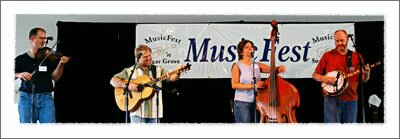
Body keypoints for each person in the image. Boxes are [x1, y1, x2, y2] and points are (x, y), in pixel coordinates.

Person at [110, 44, 182, 123]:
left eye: (150, 56)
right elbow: (113, 81)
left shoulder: (158, 69)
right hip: (137, 113)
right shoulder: (129, 71)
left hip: (155, 113)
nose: (149, 58)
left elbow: (172, 78)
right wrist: (128, 86)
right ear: (138, 58)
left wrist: (178, 73)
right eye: (145, 57)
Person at [313, 29, 370, 123]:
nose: (339, 43)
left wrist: (367, 74)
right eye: (337, 41)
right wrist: (324, 78)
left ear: (347, 39)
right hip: (331, 99)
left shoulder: (356, 57)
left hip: (351, 99)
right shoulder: (328, 56)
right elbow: (315, 75)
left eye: (342, 40)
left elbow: (363, 80)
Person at [14, 27, 70, 123]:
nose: (44, 41)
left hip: (46, 98)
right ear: (32, 39)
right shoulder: (20, 59)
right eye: (41, 38)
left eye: (45, 38)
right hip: (26, 98)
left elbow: (55, 77)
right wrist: (19, 74)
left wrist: (61, 64)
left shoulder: (48, 57)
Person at [231, 39, 286, 123]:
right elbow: (234, 85)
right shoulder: (237, 65)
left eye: (252, 47)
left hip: (258, 103)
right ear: (241, 52)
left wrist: (279, 69)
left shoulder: (256, 65)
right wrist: (254, 86)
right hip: (242, 103)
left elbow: (272, 70)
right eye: (247, 47)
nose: (250, 49)